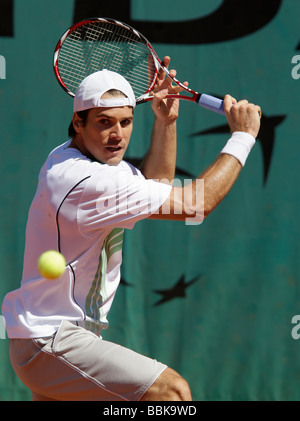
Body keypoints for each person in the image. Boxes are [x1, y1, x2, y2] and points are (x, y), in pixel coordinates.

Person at [2, 57, 261, 401]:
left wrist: (165, 122)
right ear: (77, 122)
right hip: (51, 339)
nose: (117, 135)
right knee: (171, 394)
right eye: (104, 122)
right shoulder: (88, 181)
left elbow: (155, 185)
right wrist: (242, 137)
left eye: (126, 122)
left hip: (52, 340)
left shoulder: (76, 158)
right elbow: (196, 204)